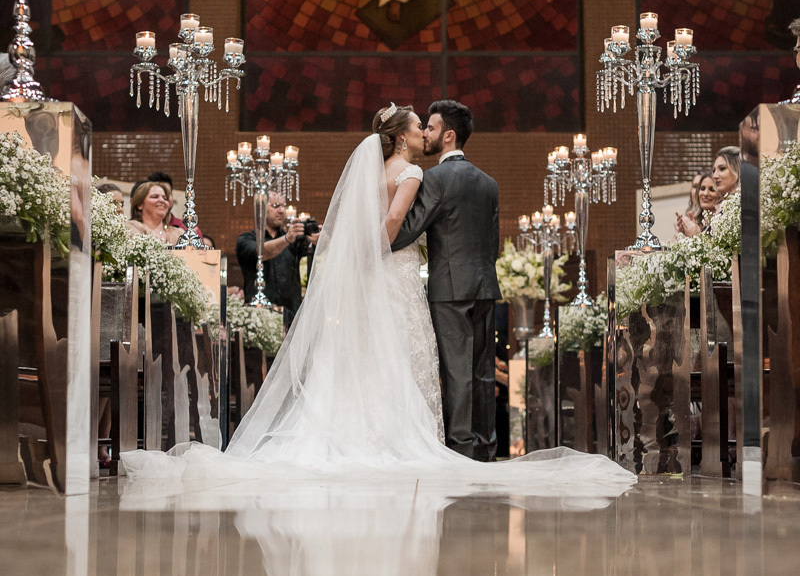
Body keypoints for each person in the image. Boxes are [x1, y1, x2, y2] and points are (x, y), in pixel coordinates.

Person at [121, 101, 636, 501]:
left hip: (380, 272)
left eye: (428, 127)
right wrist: (376, 254)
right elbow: (392, 224)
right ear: (404, 136)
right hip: (395, 271)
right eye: (418, 128)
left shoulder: (375, 170)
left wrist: (358, 255)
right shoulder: (413, 174)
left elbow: (365, 222)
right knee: (402, 356)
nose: (424, 134)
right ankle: (411, 440)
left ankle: (359, 433)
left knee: (369, 357)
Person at [390, 100, 501, 461]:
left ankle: (461, 450)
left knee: (457, 373)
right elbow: (494, 244)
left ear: (449, 136)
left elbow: (408, 230)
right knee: (483, 374)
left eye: (432, 128)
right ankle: (485, 449)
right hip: (485, 286)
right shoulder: (488, 183)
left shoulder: (435, 179)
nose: (425, 133)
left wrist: (373, 235)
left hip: (449, 288)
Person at [235, 191, 318, 326]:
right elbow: (261, 252)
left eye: (283, 206)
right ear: (261, 210)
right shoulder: (245, 239)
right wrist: (286, 239)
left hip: (291, 319)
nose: (281, 211)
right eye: (275, 206)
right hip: (259, 319)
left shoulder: (294, 241)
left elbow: (313, 254)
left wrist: (319, 240)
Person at [126, 181, 182, 245]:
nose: (162, 200)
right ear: (140, 204)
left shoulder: (179, 233)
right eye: (155, 197)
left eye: (165, 198)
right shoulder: (131, 228)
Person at [675, 171, 719, 237]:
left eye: (712, 189)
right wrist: (682, 234)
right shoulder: (691, 220)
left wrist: (696, 235)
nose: (705, 193)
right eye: (702, 189)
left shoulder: (722, 220)